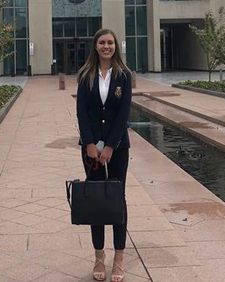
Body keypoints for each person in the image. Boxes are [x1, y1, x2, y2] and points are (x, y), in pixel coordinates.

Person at [76, 28, 132, 282]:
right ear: (95, 46)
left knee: (117, 198)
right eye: (102, 42)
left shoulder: (124, 76)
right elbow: (82, 112)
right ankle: (99, 256)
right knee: (96, 200)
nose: (106, 46)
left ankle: (119, 257)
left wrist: (110, 145)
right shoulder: (85, 75)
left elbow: (123, 115)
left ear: (115, 46)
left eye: (110, 42)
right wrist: (89, 143)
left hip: (118, 148)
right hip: (90, 149)